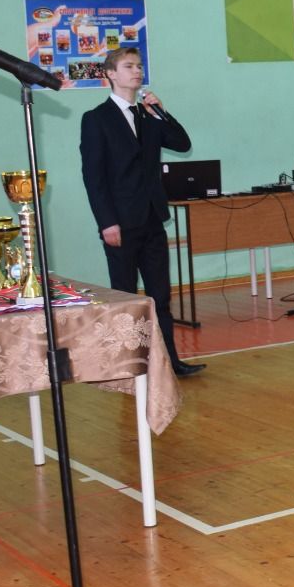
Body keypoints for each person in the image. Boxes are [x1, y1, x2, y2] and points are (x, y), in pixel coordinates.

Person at [79, 47, 204, 376]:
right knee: (124, 298)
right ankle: (126, 366)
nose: (137, 71)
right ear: (111, 74)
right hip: (119, 223)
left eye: (139, 66)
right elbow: (94, 177)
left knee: (160, 297)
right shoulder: (96, 119)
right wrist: (107, 222)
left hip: (151, 219)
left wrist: (162, 112)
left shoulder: (149, 117)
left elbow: (182, 143)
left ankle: (169, 363)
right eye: (129, 66)